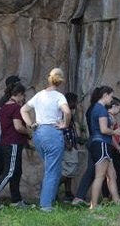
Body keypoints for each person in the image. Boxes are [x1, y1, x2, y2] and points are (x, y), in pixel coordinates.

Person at [20, 68, 71, 211]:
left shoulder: (39, 95)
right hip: (52, 134)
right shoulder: (59, 96)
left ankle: (50, 199)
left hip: (38, 133)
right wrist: (65, 124)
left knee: (53, 168)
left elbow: (23, 110)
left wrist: (30, 124)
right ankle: (46, 205)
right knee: (52, 169)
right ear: (60, 81)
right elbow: (67, 111)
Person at [0, 82, 32, 210]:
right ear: (19, 94)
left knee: (17, 172)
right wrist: (30, 131)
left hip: (5, 143)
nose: (23, 98)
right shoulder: (16, 108)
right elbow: (18, 127)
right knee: (9, 172)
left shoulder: (4, 107)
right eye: (23, 95)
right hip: (13, 143)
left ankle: (16, 200)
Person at [103, 97, 120, 198]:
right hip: (112, 149)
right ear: (114, 106)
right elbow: (111, 135)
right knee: (118, 174)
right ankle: (113, 195)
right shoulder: (110, 118)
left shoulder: (109, 117)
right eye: (119, 107)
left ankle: (108, 196)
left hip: (111, 148)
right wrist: (119, 149)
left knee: (108, 175)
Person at [60, 92, 80, 202]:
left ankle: (68, 193)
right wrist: (67, 142)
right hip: (67, 145)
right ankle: (52, 188)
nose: (77, 104)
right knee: (69, 170)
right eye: (76, 101)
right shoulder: (66, 112)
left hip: (70, 143)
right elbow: (65, 128)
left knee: (68, 170)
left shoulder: (70, 113)